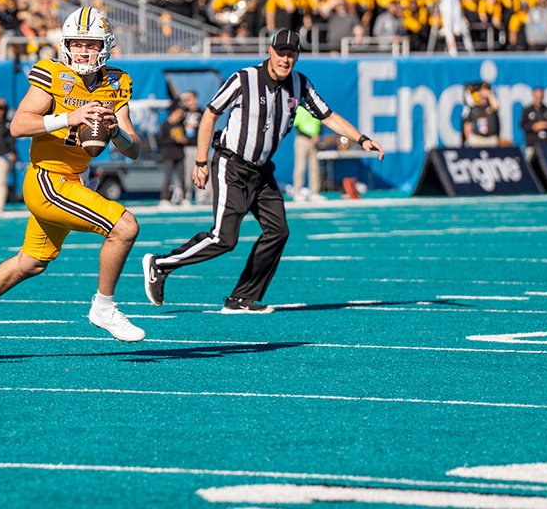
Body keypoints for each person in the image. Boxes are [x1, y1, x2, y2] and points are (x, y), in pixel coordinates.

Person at [0, 7, 146, 363]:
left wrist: (116, 133)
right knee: (124, 226)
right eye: (77, 44)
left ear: (106, 46)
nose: (83, 51)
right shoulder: (53, 73)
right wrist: (71, 116)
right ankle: (104, 306)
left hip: (71, 180)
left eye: (91, 44)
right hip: (46, 179)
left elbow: (134, 149)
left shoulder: (116, 81)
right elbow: (19, 126)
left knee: (31, 263)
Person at [141, 30, 384, 313]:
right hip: (232, 164)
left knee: (278, 231)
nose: (285, 59)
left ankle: (241, 298)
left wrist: (362, 139)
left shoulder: (300, 83)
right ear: (270, 51)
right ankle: (161, 264)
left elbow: (327, 115)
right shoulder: (245, 78)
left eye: (291, 54)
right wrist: (200, 161)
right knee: (224, 238)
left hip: (262, 171)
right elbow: (211, 113)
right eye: (281, 52)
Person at [157, 102, 187, 207]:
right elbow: (160, 141)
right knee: (168, 177)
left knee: (182, 177)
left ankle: (183, 198)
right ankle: (165, 198)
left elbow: (186, 136)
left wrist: (183, 140)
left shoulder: (180, 124)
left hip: (179, 154)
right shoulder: (165, 125)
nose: (181, 115)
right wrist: (174, 139)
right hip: (168, 154)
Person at [291, 105, 323, 201]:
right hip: (302, 139)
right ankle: (297, 192)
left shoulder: (315, 107)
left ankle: (315, 192)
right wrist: (309, 136)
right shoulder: (300, 108)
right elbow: (296, 125)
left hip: (315, 141)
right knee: (300, 167)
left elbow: (320, 123)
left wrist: (317, 136)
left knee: (315, 167)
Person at [462, 82, 501, 148]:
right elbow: (467, 124)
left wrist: (489, 95)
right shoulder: (473, 108)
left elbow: (496, 106)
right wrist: (468, 139)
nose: (483, 98)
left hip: (491, 139)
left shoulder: (490, 106)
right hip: (477, 139)